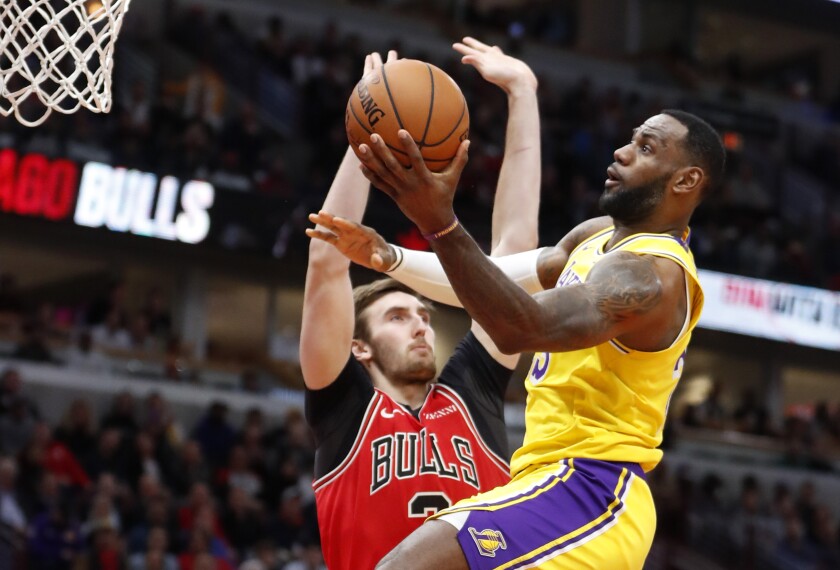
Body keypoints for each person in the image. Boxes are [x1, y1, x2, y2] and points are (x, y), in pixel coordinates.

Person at [317, 109, 725, 568]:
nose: (622, 151)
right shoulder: (595, 238)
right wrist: (391, 258)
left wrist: (441, 224)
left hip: (591, 491)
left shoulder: (654, 275)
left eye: (646, 147)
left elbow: (522, 327)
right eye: (631, 140)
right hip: (545, 479)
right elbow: (496, 281)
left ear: (686, 181)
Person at [300, 37, 541, 570]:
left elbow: (514, 258)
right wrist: (369, 139)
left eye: (424, 317)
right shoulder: (344, 412)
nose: (420, 327)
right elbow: (326, 262)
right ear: (357, 347)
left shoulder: (469, 398)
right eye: (397, 316)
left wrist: (523, 92)